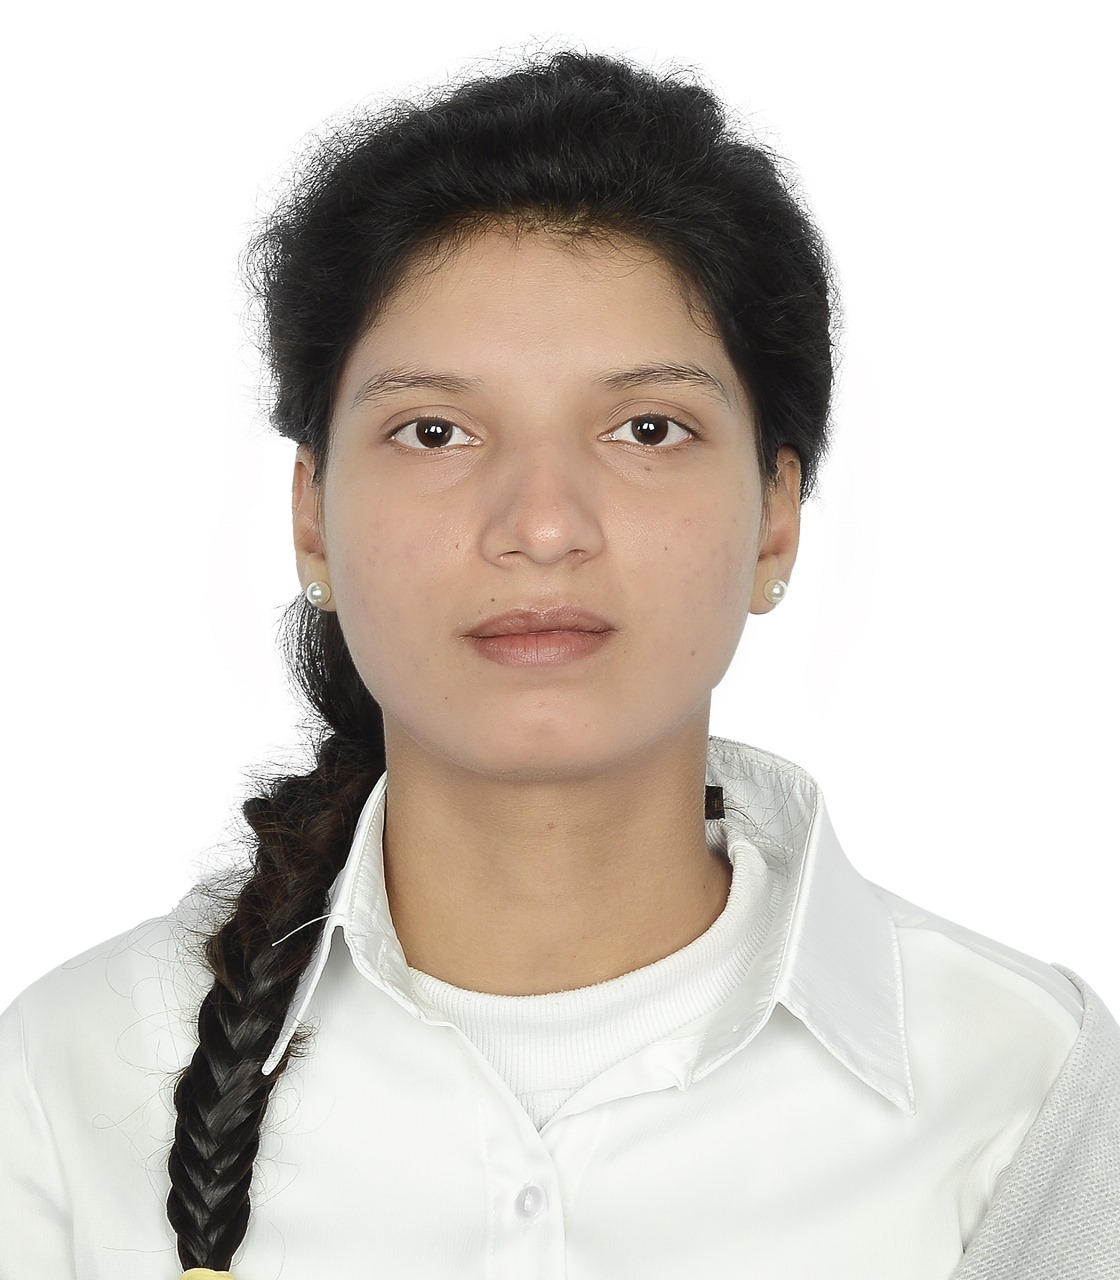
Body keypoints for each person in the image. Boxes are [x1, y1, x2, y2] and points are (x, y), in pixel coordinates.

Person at [0, 48, 1116, 1280]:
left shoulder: (1021, 1082)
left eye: (647, 428)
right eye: (435, 430)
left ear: (776, 517)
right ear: (312, 518)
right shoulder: (64, 1078)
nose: (540, 525)